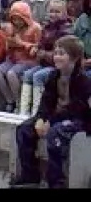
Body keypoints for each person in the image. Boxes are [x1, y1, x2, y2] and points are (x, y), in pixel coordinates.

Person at [10, 35, 91, 189]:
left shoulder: (84, 81)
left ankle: (56, 182)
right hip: (55, 117)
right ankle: (30, 176)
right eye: (55, 53)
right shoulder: (53, 76)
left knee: (55, 134)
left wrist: (50, 121)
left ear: (74, 58)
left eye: (61, 53)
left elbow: (77, 109)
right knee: (24, 129)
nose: (56, 57)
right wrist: (40, 118)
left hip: (79, 121)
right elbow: (46, 102)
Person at [19, 0, 72, 116]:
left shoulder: (66, 29)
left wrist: (45, 54)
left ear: (64, 13)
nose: (53, 14)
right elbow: (41, 43)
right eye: (51, 11)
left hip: (58, 66)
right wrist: (36, 48)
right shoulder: (47, 27)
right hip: (44, 63)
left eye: (57, 12)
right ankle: (23, 112)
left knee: (38, 76)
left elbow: (63, 53)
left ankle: (37, 112)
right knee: (27, 74)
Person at [0, 1, 42, 113]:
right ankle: (11, 99)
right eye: (14, 19)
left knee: (11, 74)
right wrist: (9, 43)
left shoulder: (35, 28)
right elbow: (7, 46)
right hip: (13, 58)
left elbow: (37, 48)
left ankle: (20, 102)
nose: (17, 22)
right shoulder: (10, 28)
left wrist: (21, 43)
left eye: (20, 19)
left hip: (29, 60)